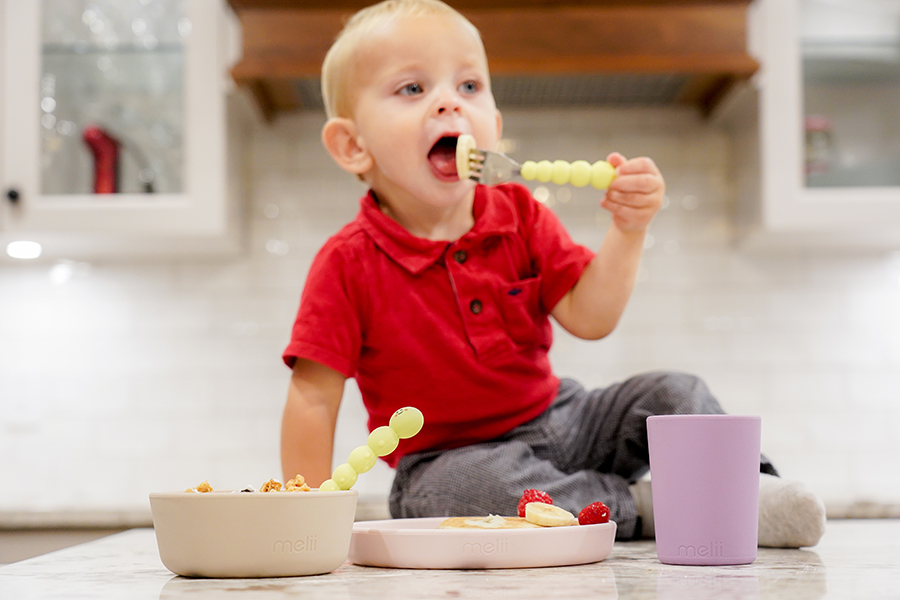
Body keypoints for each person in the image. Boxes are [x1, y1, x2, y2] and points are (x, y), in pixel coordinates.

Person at [280, 0, 826, 547]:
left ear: (494, 127)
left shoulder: (520, 213)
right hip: (450, 458)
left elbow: (591, 318)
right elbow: (313, 398)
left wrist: (628, 230)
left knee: (674, 392)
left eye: (469, 86)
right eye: (413, 88)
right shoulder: (347, 262)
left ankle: (749, 491)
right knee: (453, 492)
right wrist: (308, 523)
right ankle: (650, 507)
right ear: (353, 145)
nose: (450, 102)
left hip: (565, 419)